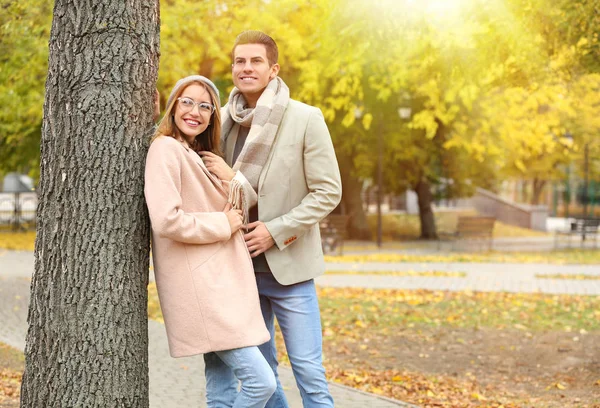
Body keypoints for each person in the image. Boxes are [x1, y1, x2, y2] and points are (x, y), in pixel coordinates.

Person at [202, 31, 342, 407]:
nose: (246, 68)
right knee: (264, 376)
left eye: (256, 61)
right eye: (239, 61)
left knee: (309, 374)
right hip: (239, 271)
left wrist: (275, 232)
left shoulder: (305, 119)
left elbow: (328, 192)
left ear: (273, 68)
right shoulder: (221, 123)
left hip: (290, 271)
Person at [144, 75, 276, 408]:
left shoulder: (197, 154)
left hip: (221, 285)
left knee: (222, 389)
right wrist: (223, 223)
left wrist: (232, 178)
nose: (195, 112)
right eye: (187, 102)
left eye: (205, 106)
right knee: (262, 383)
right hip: (204, 289)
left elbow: (240, 205)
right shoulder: (165, 149)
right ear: (173, 105)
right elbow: (165, 219)